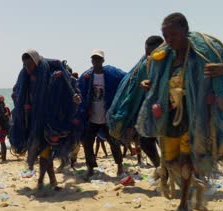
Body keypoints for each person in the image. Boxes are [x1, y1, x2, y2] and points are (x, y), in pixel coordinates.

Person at [137, 13, 223, 211]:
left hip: (193, 119)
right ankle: (195, 185)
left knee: (185, 161)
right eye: (166, 36)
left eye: (173, 34)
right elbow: (157, 82)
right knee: (170, 160)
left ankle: (184, 203)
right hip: (170, 118)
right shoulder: (165, 60)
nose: (169, 40)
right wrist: (149, 85)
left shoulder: (200, 56)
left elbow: (221, 84)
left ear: (185, 30)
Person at [10, 49, 81, 190]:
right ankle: (53, 181)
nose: (27, 68)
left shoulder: (50, 75)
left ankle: (41, 181)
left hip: (49, 120)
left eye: (29, 64)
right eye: (25, 65)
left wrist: (73, 98)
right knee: (45, 151)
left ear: (36, 63)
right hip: (32, 121)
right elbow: (17, 91)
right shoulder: (24, 77)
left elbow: (65, 91)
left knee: (45, 150)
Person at [108, 36, 164, 168]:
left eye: (152, 52)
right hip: (151, 115)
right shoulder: (144, 65)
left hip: (167, 113)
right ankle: (162, 170)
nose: (148, 56)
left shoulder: (168, 65)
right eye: (147, 52)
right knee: (146, 142)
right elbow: (134, 91)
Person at [78, 50, 126, 180]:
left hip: (107, 117)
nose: (96, 61)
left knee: (113, 142)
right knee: (87, 142)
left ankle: (120, 166)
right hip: (92, 117)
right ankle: (91, 168)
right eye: (94, 59)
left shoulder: (111, 73)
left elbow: (125, 79)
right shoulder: (86, 76)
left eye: (98, 59)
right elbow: (79, 91)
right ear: (91, 60)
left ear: (103, 60)